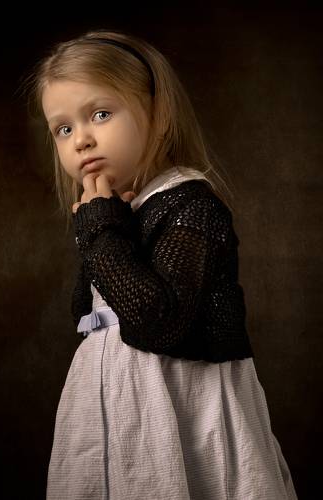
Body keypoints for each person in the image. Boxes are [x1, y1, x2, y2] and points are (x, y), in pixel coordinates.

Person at [26, 28, 298, 500]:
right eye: (63, 129)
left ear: (158, 113)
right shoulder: (118, 214)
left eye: (100, 114)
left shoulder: (190, 205)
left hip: (177, 405)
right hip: (113, 405)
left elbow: (158, 320)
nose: (81, 140)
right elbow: (84, 313)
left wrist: (102, 230)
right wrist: (105, 226)